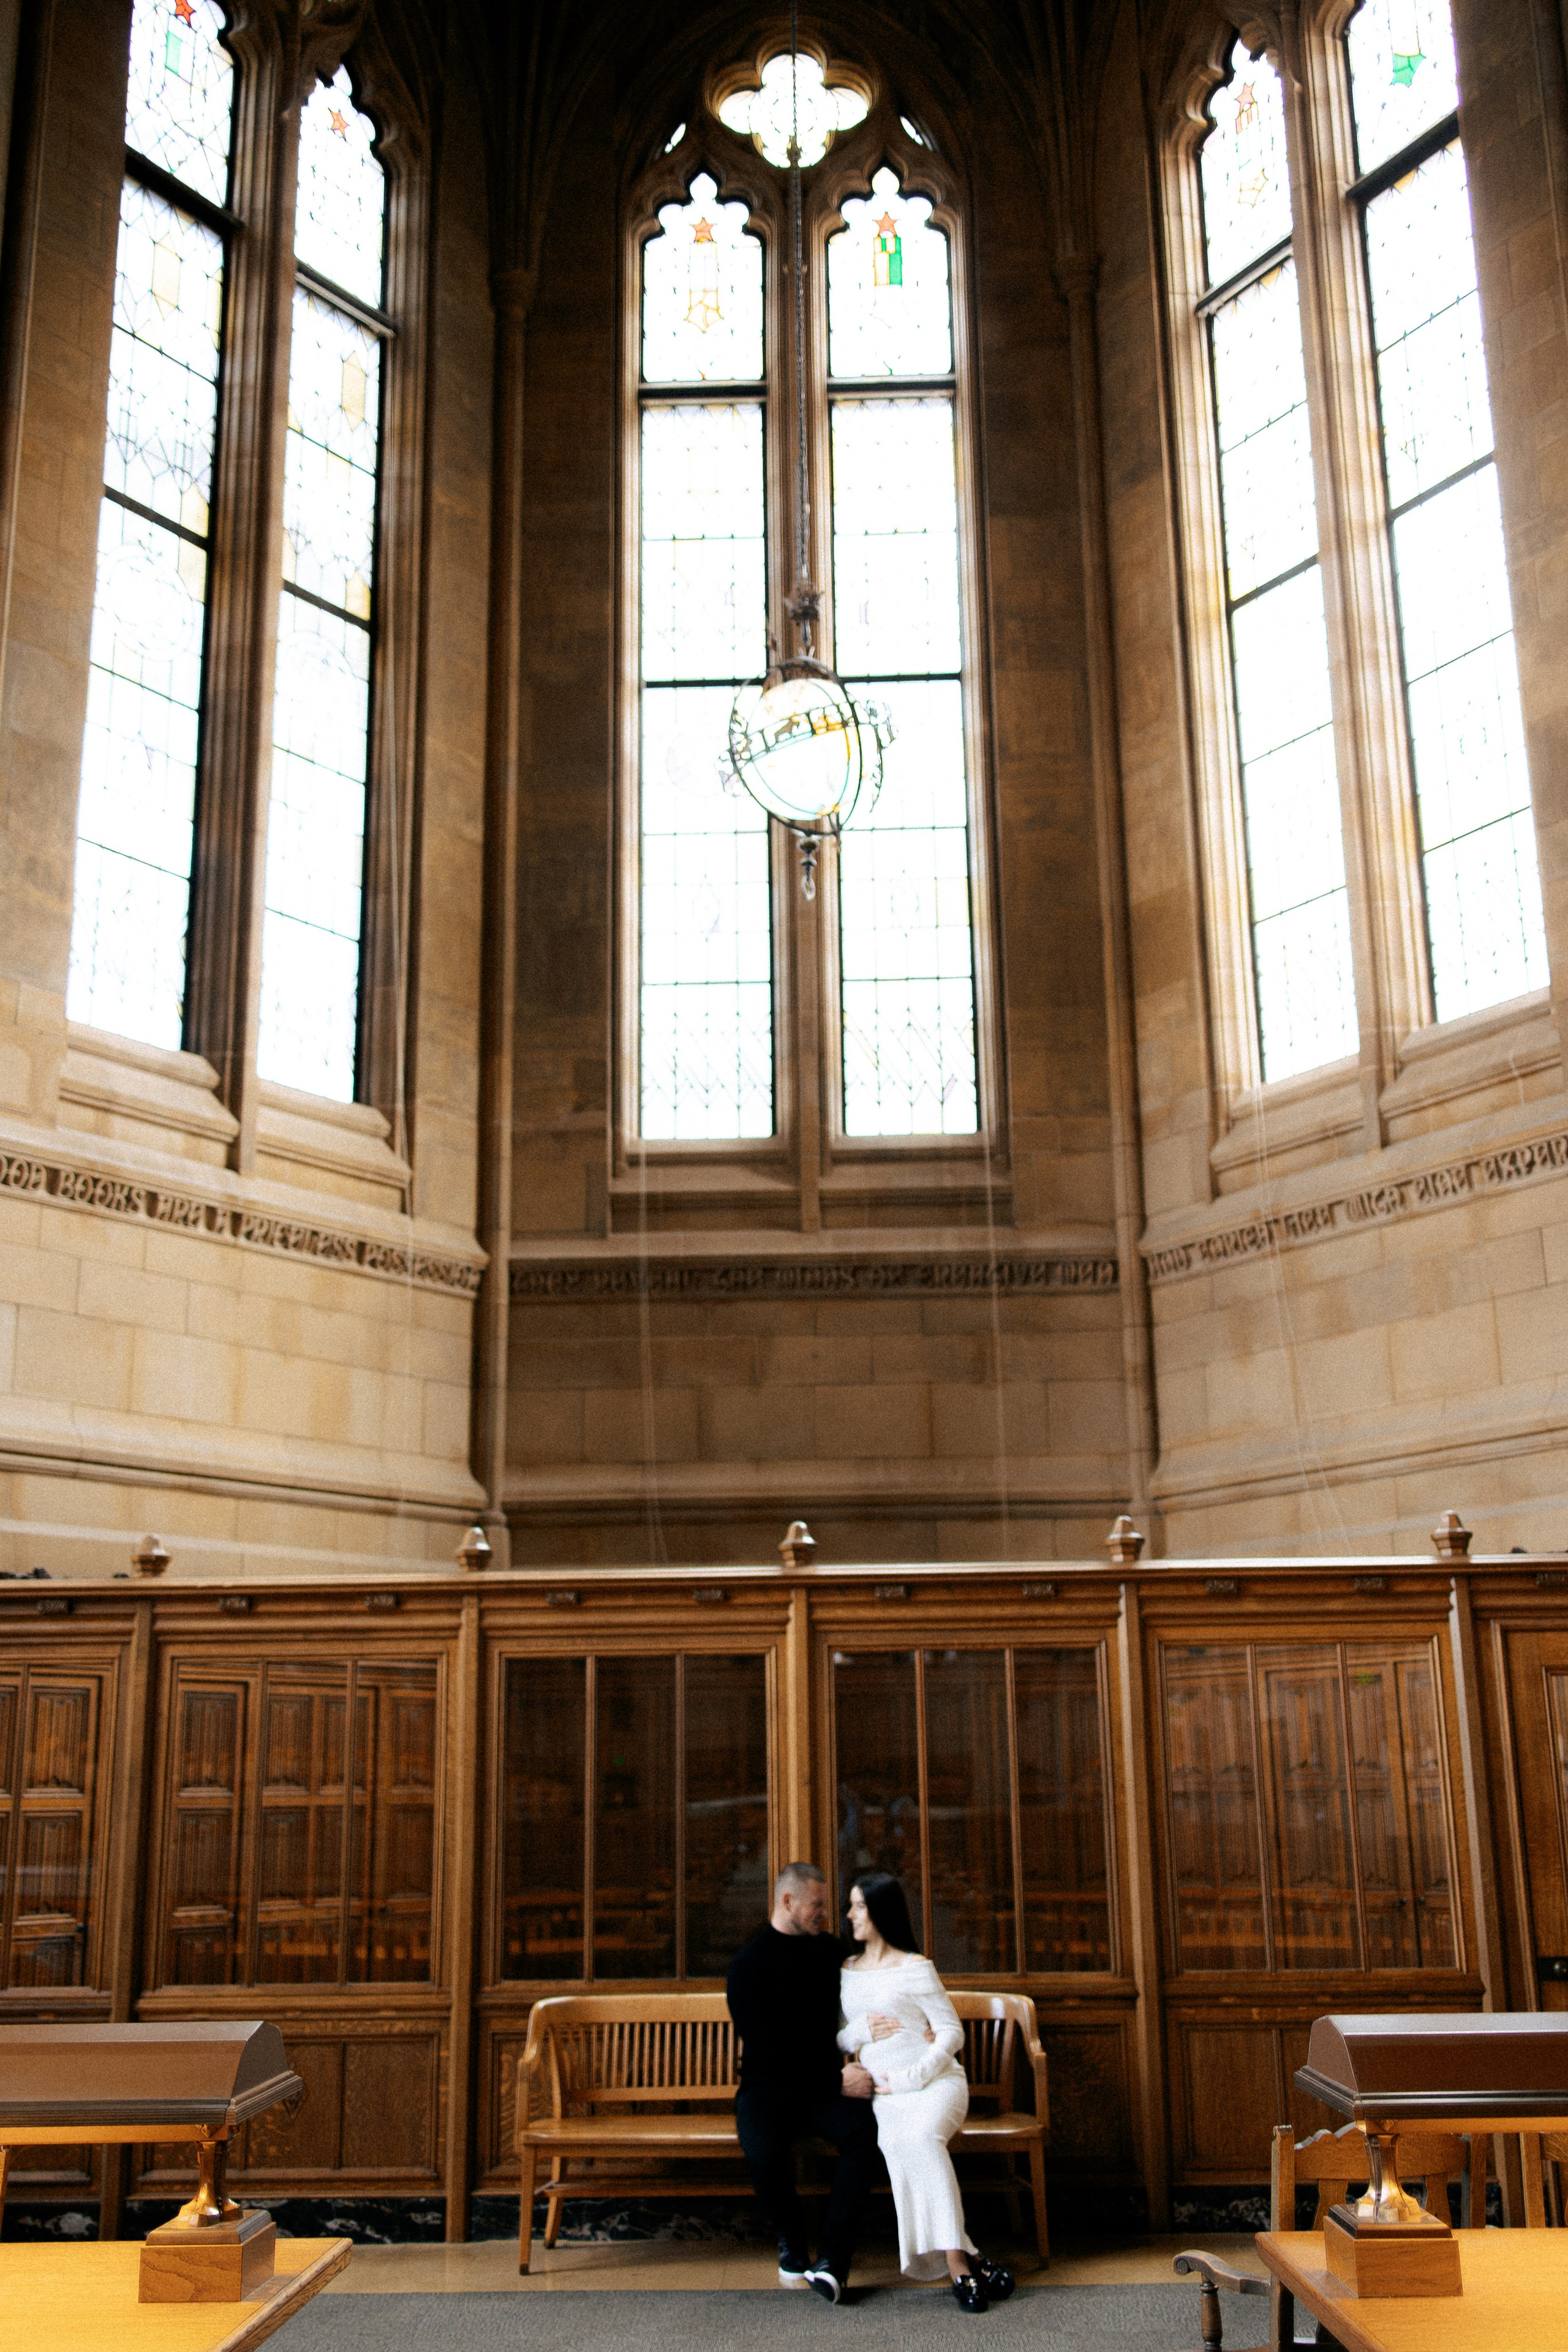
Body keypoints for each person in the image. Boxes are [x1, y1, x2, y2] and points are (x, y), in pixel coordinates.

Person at [837, 1873, 1015, 2315]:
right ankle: (972, 2257)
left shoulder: (914, 1967)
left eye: (859, 1907)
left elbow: (951, 2033)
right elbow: (840, 2039)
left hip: (935, 2085)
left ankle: (956, 2264)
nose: (850, 1915)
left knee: (921, 2139)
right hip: (883, 2095)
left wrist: (914, 2077)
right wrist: (857, 2033)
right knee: (895, 2141)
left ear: (879, 1912)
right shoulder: (846, 1971)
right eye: (852, 1906)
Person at [726, 1860, 878, 2305]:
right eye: (816, 1905)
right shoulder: (747, 1966)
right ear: (788, 1902)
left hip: (822, 2089)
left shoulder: (830, 1953)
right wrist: (834, 2082)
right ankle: (792, 2241)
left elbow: (882, 1982)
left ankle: (834, 2259)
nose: (825, 1914)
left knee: (866, 2134)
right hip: (768, 2090)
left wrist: (920, 2023)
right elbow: (769, 2053)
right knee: (763, 2152)